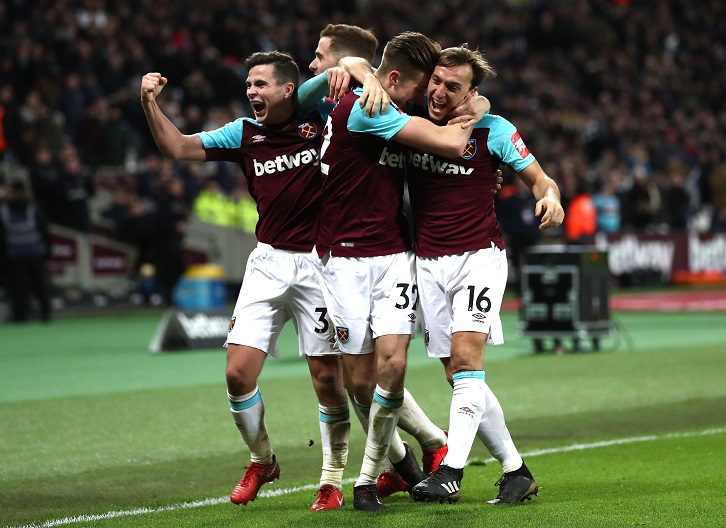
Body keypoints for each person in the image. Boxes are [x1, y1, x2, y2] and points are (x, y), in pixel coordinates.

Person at [140, 51, 352, 512]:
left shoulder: (319, 119)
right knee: (237, 373)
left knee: (328, 381)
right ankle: (262, 460)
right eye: (249, 84)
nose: (252, 92)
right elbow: (177, 148)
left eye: (261, 84)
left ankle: (332, 480)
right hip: (269, 262)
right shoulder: (244, 132)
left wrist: (347, 65)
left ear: (287, 89)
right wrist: (149, 103)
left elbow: (339, 85)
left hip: (319, 266)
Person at [299, 31, 487, 511]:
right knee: (359, 382)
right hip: (340, 258)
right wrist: (473, 111)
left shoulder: (393, 104)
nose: (427, 99)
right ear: (396, 78)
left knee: (394, 367)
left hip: (394, 254)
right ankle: (408, 461)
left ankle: (366, 478)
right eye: (421, 88)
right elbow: (448, 142)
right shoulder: (369, 108)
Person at [399, 46, 564, 505]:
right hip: (427, 262)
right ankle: (516, 471)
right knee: (458, 376)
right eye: (436, 80)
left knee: (468, 361)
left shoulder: (494, 129)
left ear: (472, 93)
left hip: (478, 257)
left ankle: (451, 470)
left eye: (453, 87)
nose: (439, 91)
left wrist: (550, 197)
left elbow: (540, 179)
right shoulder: (412, 122)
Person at [0, 178, 52, 322]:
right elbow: (44, 230)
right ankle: (46, 313)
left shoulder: (4, 209)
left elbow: (2, 236)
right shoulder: (33, 207)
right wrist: (48, 248)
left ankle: (21, 315)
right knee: (40, 283)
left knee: (19, 287)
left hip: (14, 253)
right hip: (35, 251)